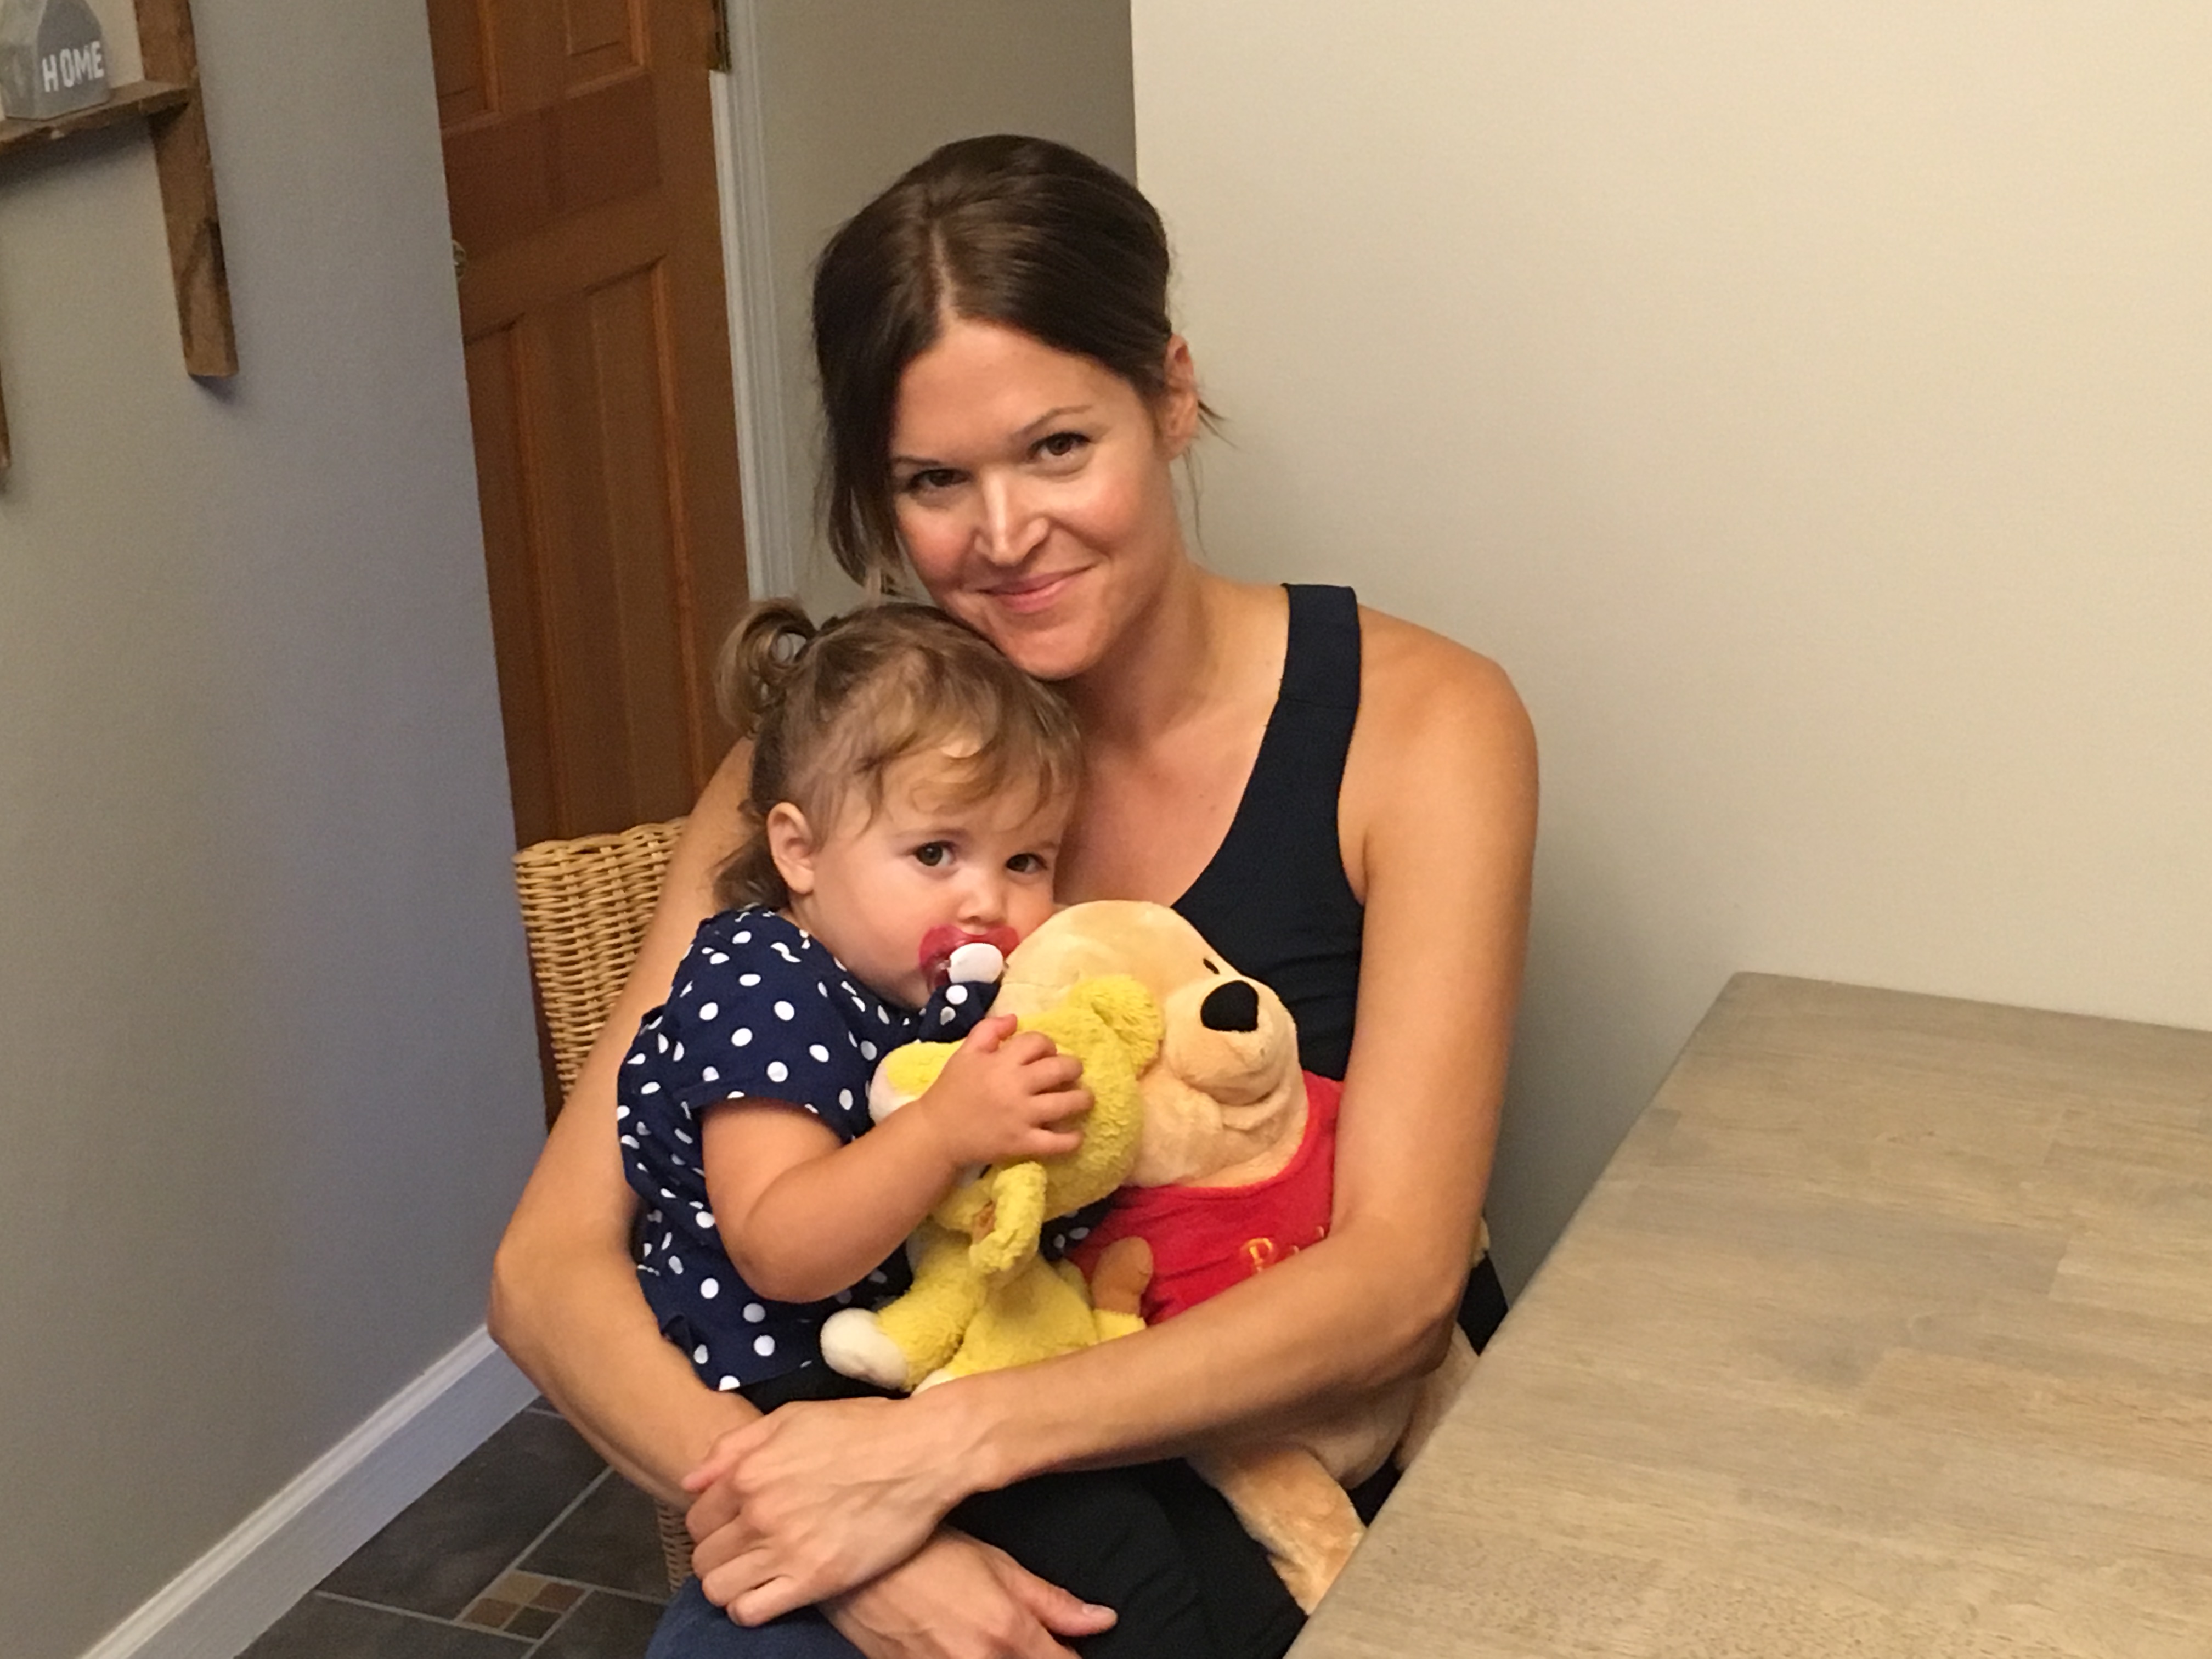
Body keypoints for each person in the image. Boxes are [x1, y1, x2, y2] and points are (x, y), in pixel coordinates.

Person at [490, 133, 1536, 1659]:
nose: (1003, 536)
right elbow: (545, 1272)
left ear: (1169, 395)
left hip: (1285, 1470)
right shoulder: (819, 780)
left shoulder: (1424, 729)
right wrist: (841, 1543)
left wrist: (935, 1457)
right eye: (934, 481)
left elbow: (1396, 1284)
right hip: (898, 1459)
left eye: (1057, 447)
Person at [619, 598, 1236, 1656]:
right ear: (800, 852)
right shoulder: (762, 981)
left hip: (943, 1362)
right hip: (802, 1381)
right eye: (938, 851)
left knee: (1175, 1538)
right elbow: (781, 1246)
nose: (989, 902)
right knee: (1125, 1561)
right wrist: (947, 1133)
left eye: (1026, 862)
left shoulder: (942, 988)